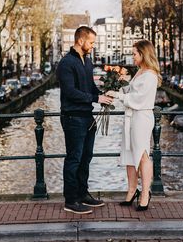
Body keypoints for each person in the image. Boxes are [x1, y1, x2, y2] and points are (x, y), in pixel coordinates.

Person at [56, 26, 113, 215]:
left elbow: (89, 87)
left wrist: (103, 94)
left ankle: (82, 193)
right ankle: (70, 200)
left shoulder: (87, 62)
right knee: (74, 158)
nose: (92, 46)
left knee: (86, 158)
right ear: (80, 41)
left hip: (87, 118)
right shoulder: (66, 63)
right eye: (91, 42)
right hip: (73, 118)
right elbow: (70, 92)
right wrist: (96, 99)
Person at [106, 40, 161, 211]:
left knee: (142, 154)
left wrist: (118, 95)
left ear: (143, 54)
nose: (132, 57)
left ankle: (145, 193)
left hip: (142, 117)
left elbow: (140, 99)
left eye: (134, 54)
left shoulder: (150, 75)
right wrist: (117, 88)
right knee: (129, 153)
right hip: (131, 117)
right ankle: (131, 190)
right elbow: (131, 91)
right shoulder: (139, 72)